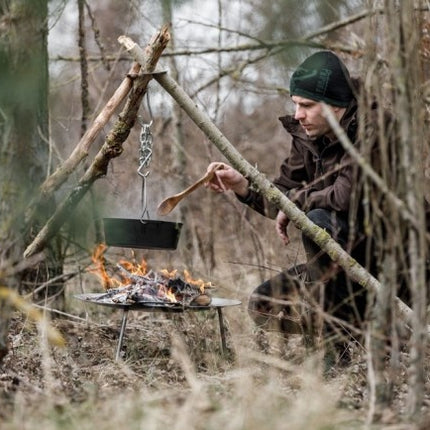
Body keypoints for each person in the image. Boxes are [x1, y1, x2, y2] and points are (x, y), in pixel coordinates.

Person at [206, 51, 370, 363]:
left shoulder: (372, 130)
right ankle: (350, 326)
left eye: (306, 105)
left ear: (336, 105)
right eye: (295, 103)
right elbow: (285, 193)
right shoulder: (310, 136)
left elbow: (344, 196)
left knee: (318, 220)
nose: (297, 114)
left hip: (386, 266)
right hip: (335, 269)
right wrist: (242, 185)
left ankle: (338, 351)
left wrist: (295, 202)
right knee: (263, 304)